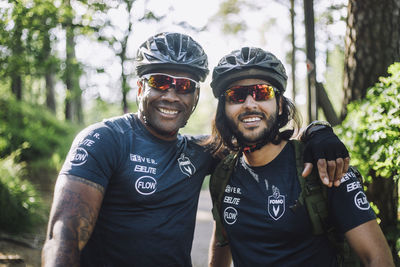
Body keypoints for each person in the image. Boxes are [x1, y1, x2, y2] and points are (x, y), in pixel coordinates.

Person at [41, 32, 349, 267]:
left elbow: (266, 140)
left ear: (196, 96)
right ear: (140, 88)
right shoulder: (105, 139)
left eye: (184, 85)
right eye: (161, 82)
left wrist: (317, 132)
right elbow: (65, 232)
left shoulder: (201, 151)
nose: (172, 94)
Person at [207, 47, 394, 267]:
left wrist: (318, 130)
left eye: (262, 93)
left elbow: (378, 258)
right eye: (236, 96)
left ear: (279, 105)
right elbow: (223, 240)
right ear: (224, 109)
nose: (250, 103)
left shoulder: (323, 167)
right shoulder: (224, 173)